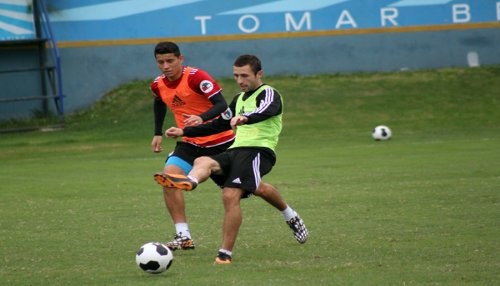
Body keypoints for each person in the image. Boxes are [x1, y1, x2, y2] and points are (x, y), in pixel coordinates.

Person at [154, 54, 309, 264]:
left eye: (244, 76)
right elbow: (220, 124)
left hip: (258, 151)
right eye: (236, 76)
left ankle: (225, 254)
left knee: (230, 194)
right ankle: (189, 181)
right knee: (204, 162)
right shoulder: (239, 99)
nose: (240, 81)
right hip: (235, 149)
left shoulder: (269, 93)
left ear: (259, 74)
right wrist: (184, 131)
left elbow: (266, 111)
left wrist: (245, 118)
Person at [149, 41, 235, 250]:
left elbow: (222, 105)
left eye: (170, 61)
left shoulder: (197, 77)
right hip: (189, 142)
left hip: (220, 141)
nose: (166, 66)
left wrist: (201, 117)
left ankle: (288, 213)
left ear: (181, 59)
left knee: (251, 190)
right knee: (168, 177)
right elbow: (159, 102)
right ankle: (183, 236)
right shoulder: (157, 84)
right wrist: (158, 132)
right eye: (161, 62)